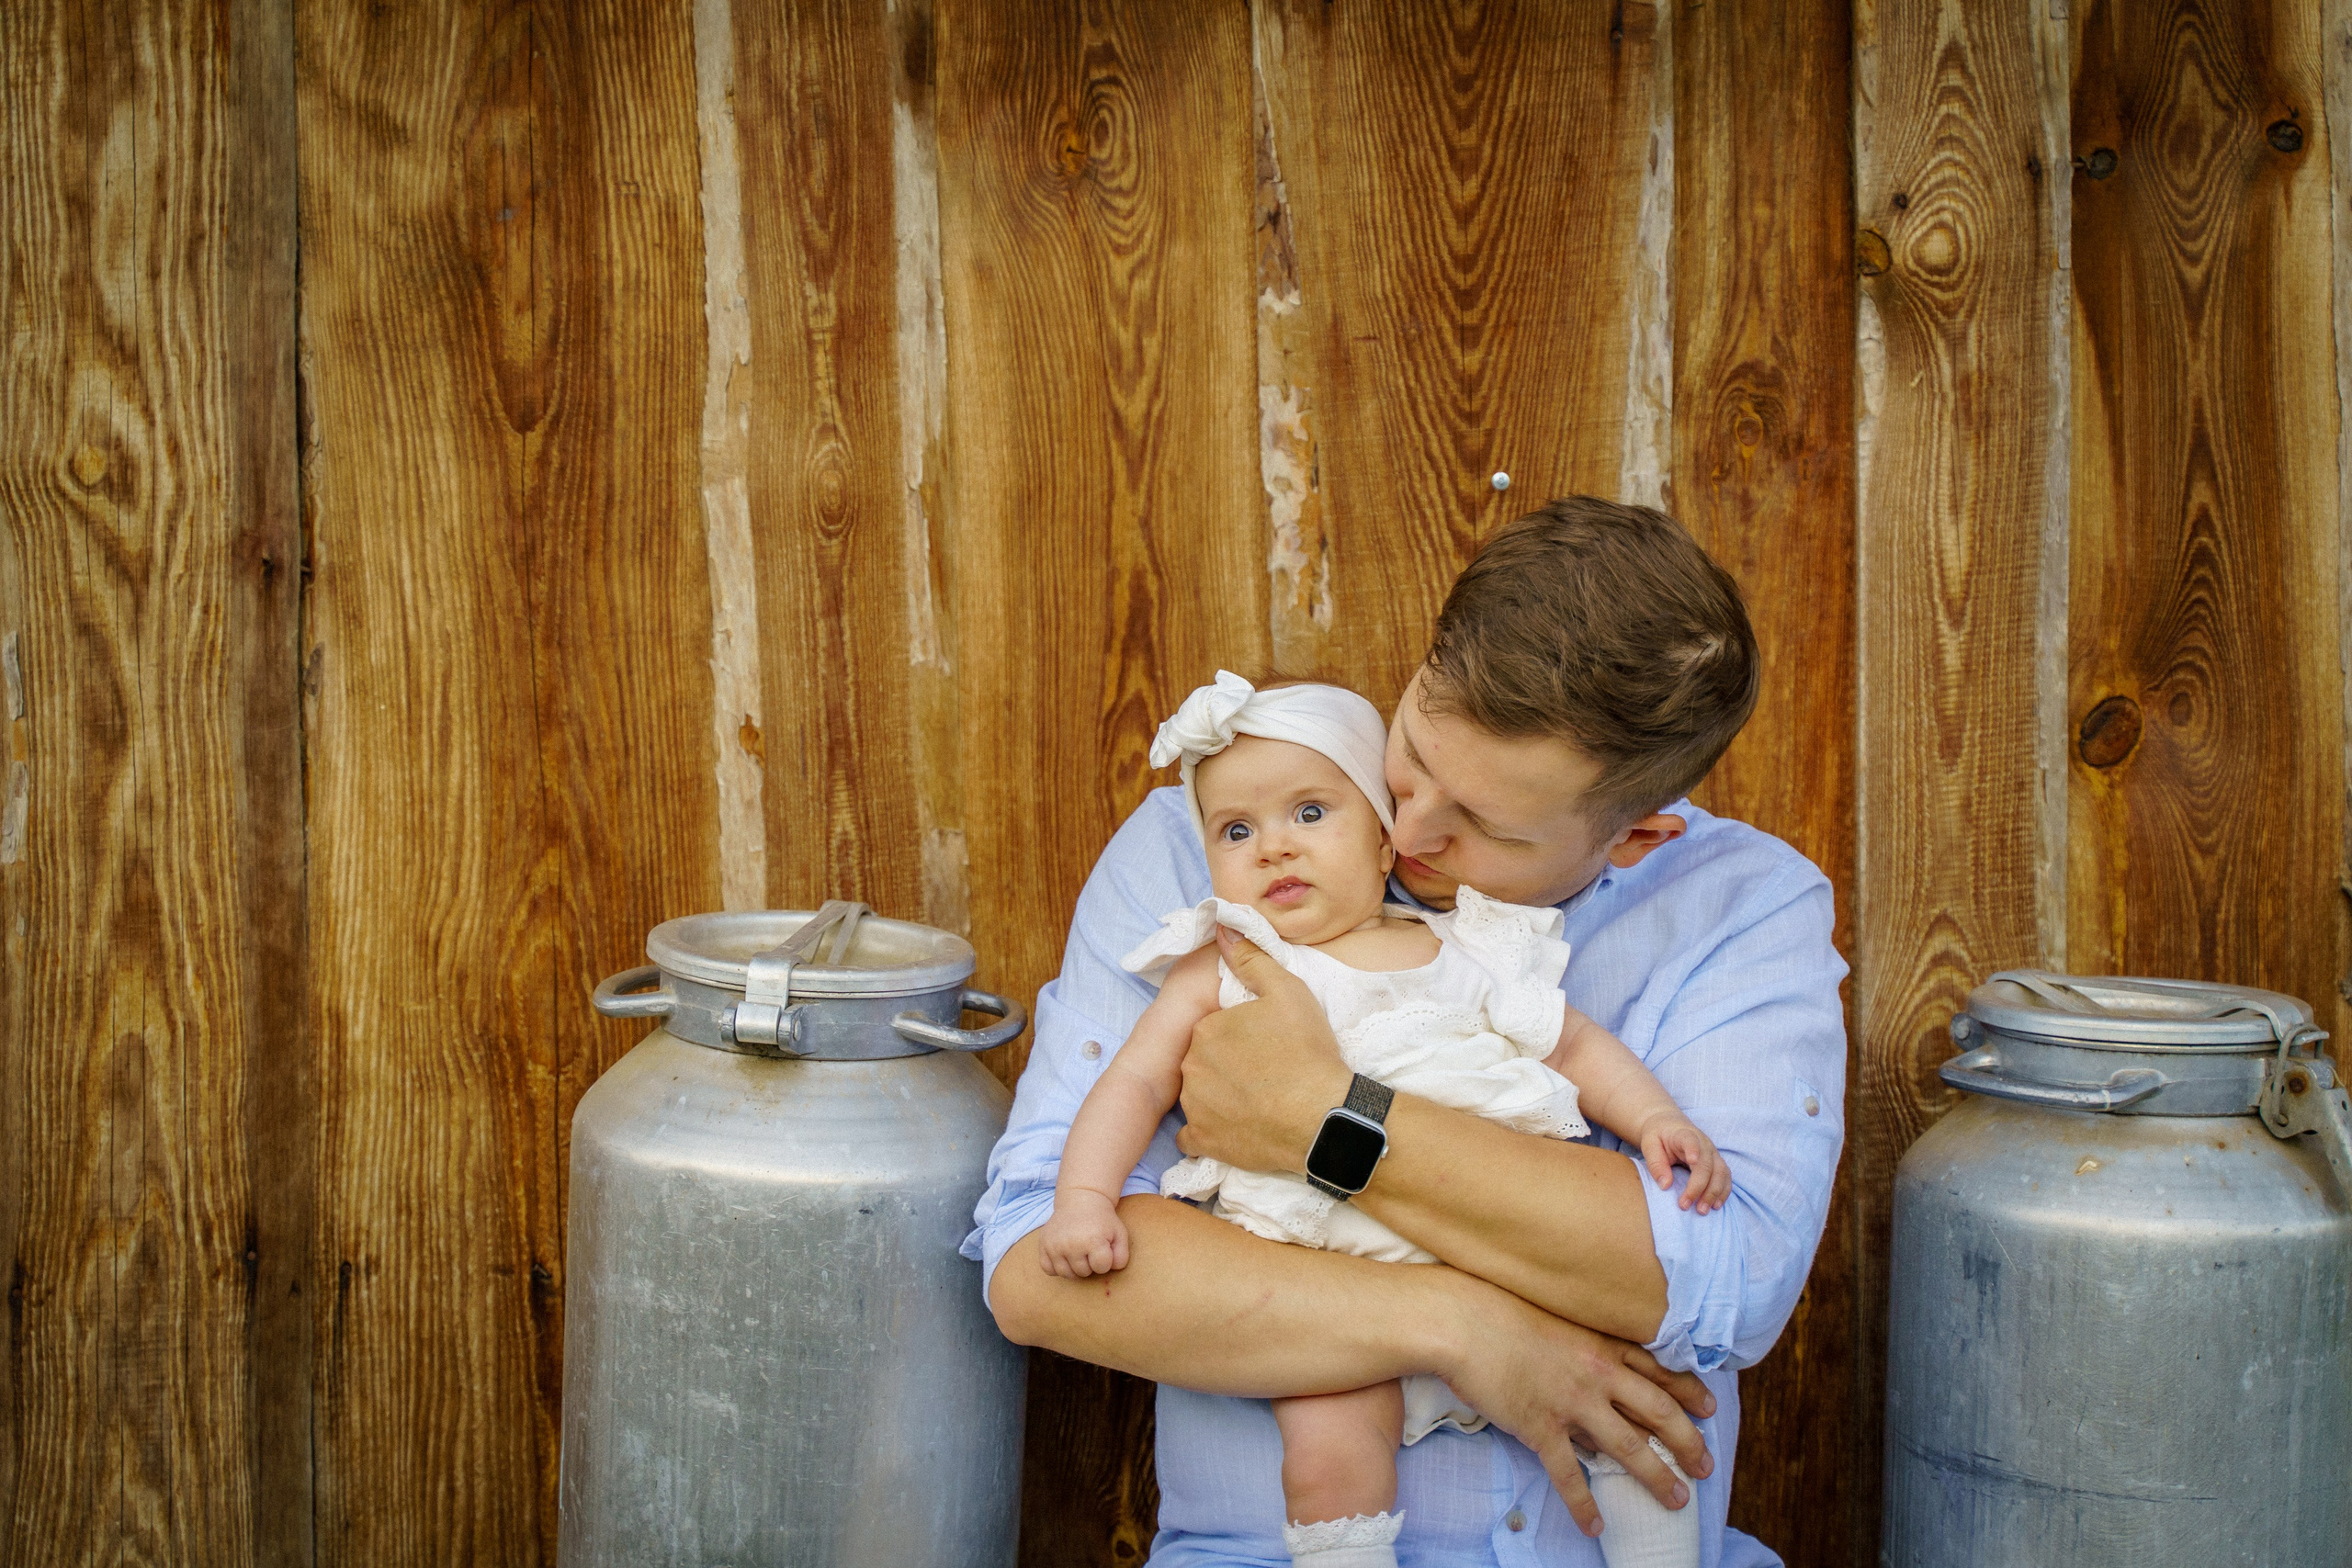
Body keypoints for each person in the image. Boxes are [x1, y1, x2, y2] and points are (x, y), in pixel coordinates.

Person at [965, 497, 1849, 1567]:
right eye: (1415, 753)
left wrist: (1319, 1117)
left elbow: (1724, 1281)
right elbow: (1037, 1266)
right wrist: (1462, 1327)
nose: (1411, 828)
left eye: (1485, 824)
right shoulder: (1210, 845)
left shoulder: (1741, 907)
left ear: (1634, 836)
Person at [1036, 671, 1728, 1568]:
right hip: (1322, 1287)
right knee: (1328, 1459)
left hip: (1504, 1251)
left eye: (1309, 814)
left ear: (1381, 839)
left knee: (1630, 1406)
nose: (1274, 848)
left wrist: (1655, 1119)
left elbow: (1576, 1049)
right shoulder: (1222, 968)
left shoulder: (1464, 949)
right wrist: (1085, 1199)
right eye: (1235, 831)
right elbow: (1131, 1084)